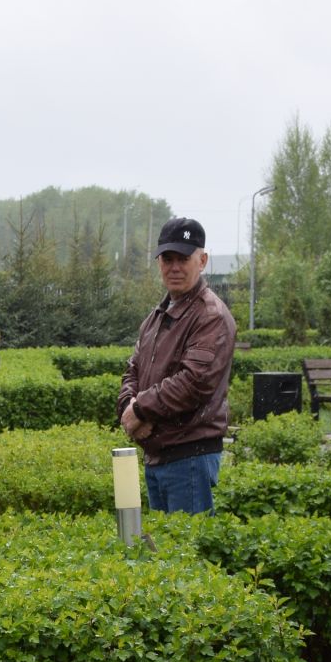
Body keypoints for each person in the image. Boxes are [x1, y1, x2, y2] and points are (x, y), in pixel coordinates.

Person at [115, 217, 235, 513]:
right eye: (168, 259)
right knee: (165, 554)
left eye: (184, 258)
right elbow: (133, 369)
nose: (175, 267)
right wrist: (127, 408)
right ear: (159, 263)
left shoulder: (211, 316)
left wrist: (140, 410)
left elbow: (193, 382)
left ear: (202, 260)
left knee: (186, 552)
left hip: (190, 457)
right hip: (159, 455)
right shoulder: (157, 316)